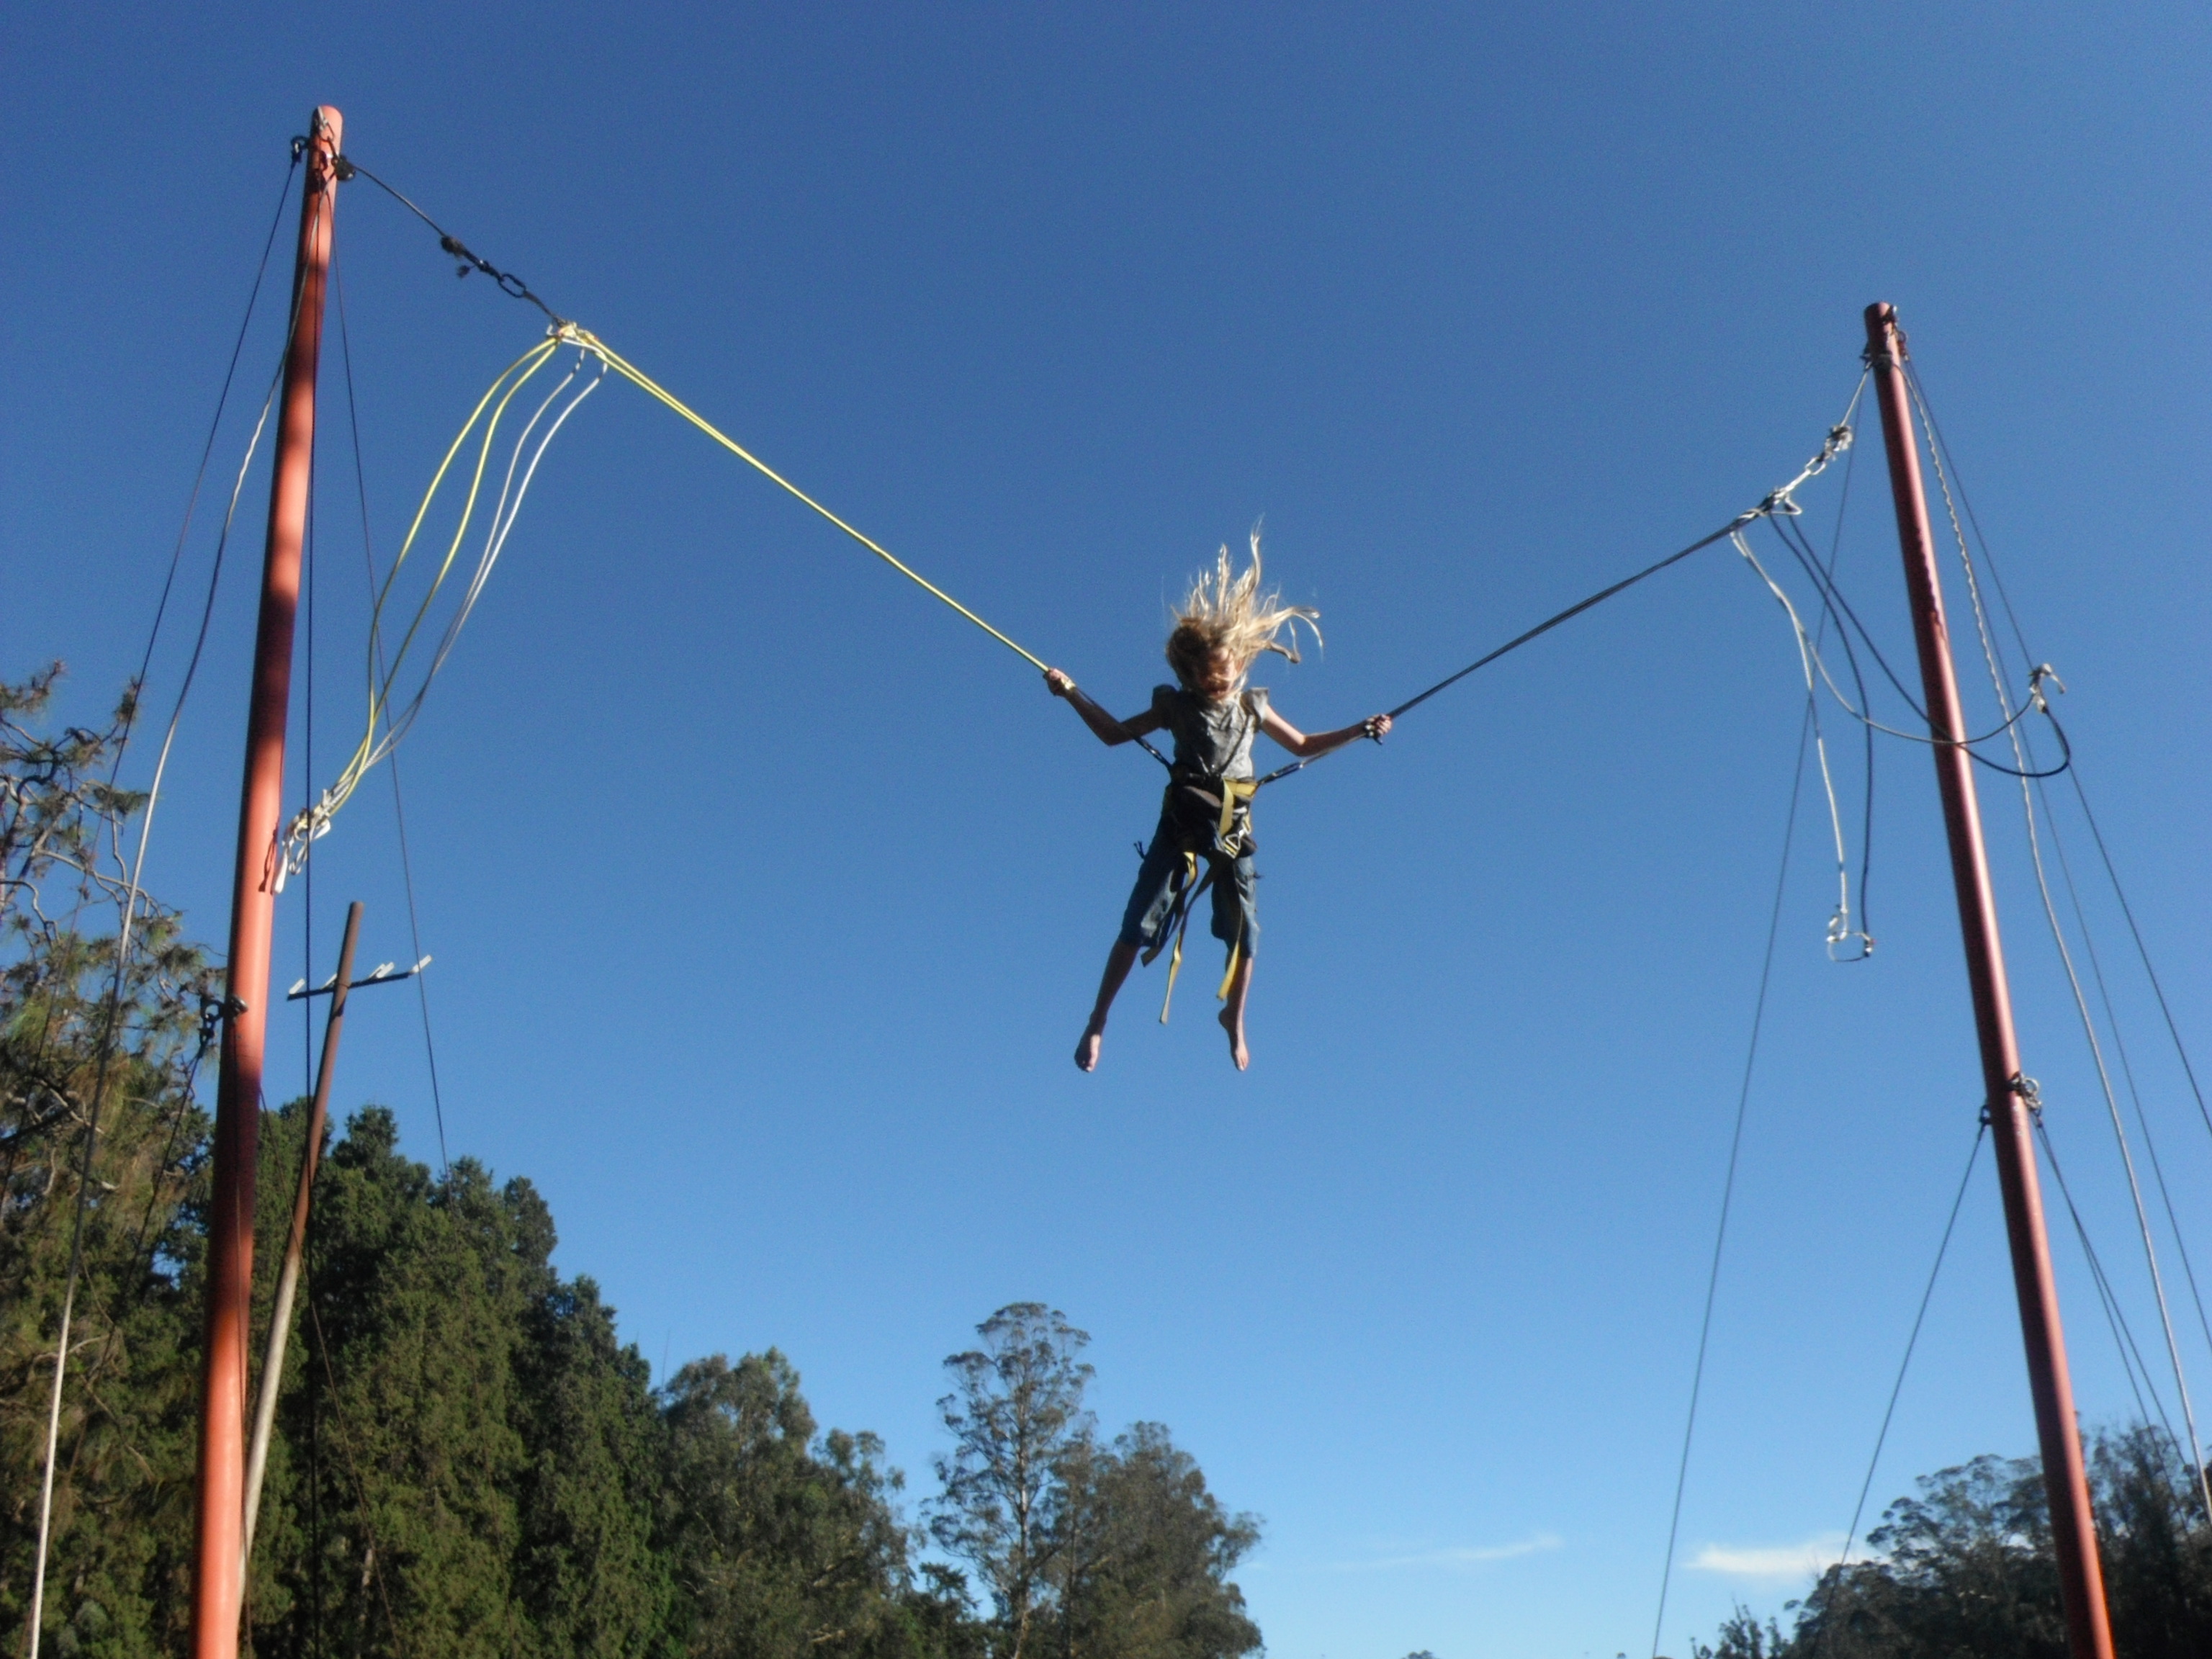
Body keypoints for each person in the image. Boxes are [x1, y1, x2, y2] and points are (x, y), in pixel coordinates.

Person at [1046, 534, 1391, 1071]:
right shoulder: (1177, 707)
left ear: (1239, 662)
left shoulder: (1252, 707)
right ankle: (1098, 1020)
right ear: (1191, 673)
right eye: (1207, 674)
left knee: (1246, 934)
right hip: (1183, 824)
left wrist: (1359, 730)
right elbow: (1114, 734)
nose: (1217, 680)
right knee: (1138, 925)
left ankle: (1235, 1016)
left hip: (1233, 827)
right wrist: (1071, 693)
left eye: (1224, 671)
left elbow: (1303, 745)